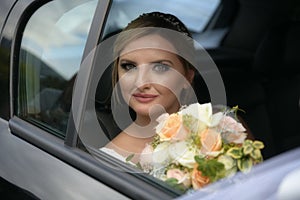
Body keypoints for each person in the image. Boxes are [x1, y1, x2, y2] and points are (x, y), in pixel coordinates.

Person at [100, 12, 253, 163]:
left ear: (187, 77)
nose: (140, 83)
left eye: (160, 68)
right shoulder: (109, 161)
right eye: (129, 66)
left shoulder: (225, 124)